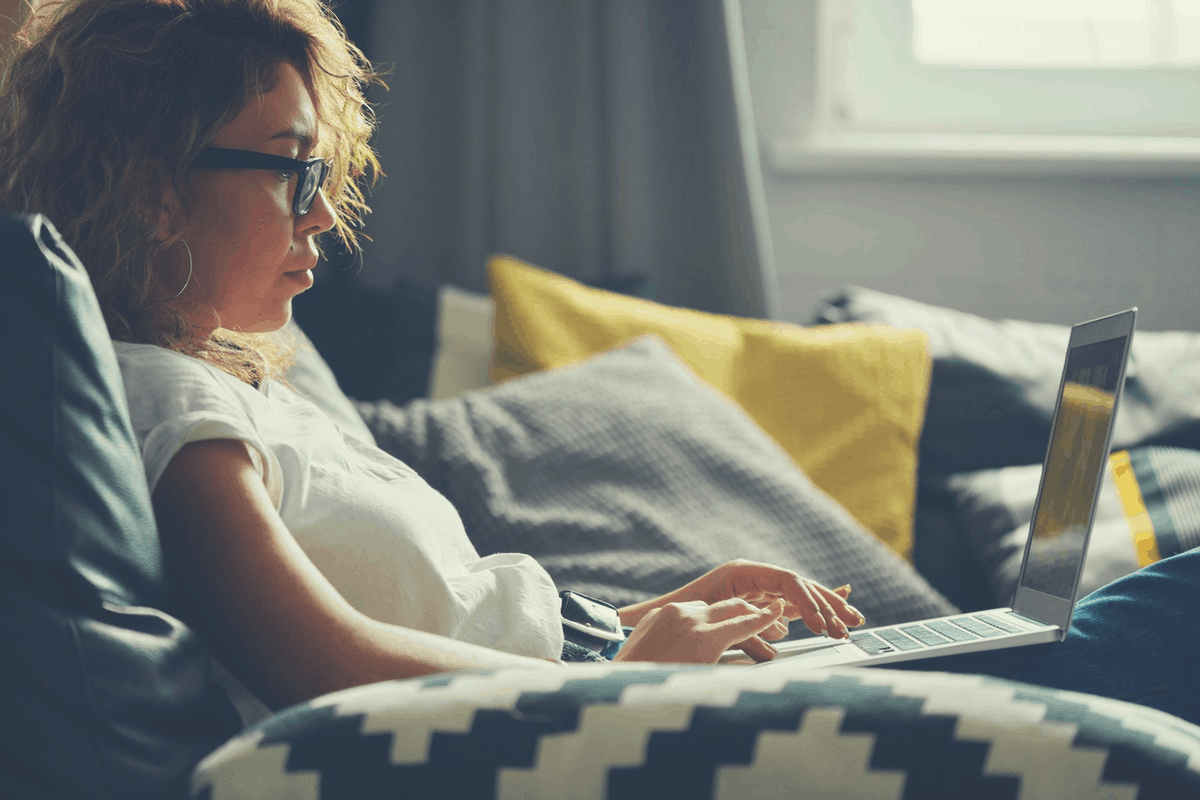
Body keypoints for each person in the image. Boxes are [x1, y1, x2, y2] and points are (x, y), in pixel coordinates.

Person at [5, 0, 1197, 734]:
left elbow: (450, 614)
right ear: (155, 192)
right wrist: (626, 682)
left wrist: (646, 617)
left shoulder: (237, 384)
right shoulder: (163, 407)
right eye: (290, 168)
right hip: (579, 722)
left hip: (593, 676)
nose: (326, 215)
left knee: (1109, 622)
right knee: (1154, 617)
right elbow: (324, 666)